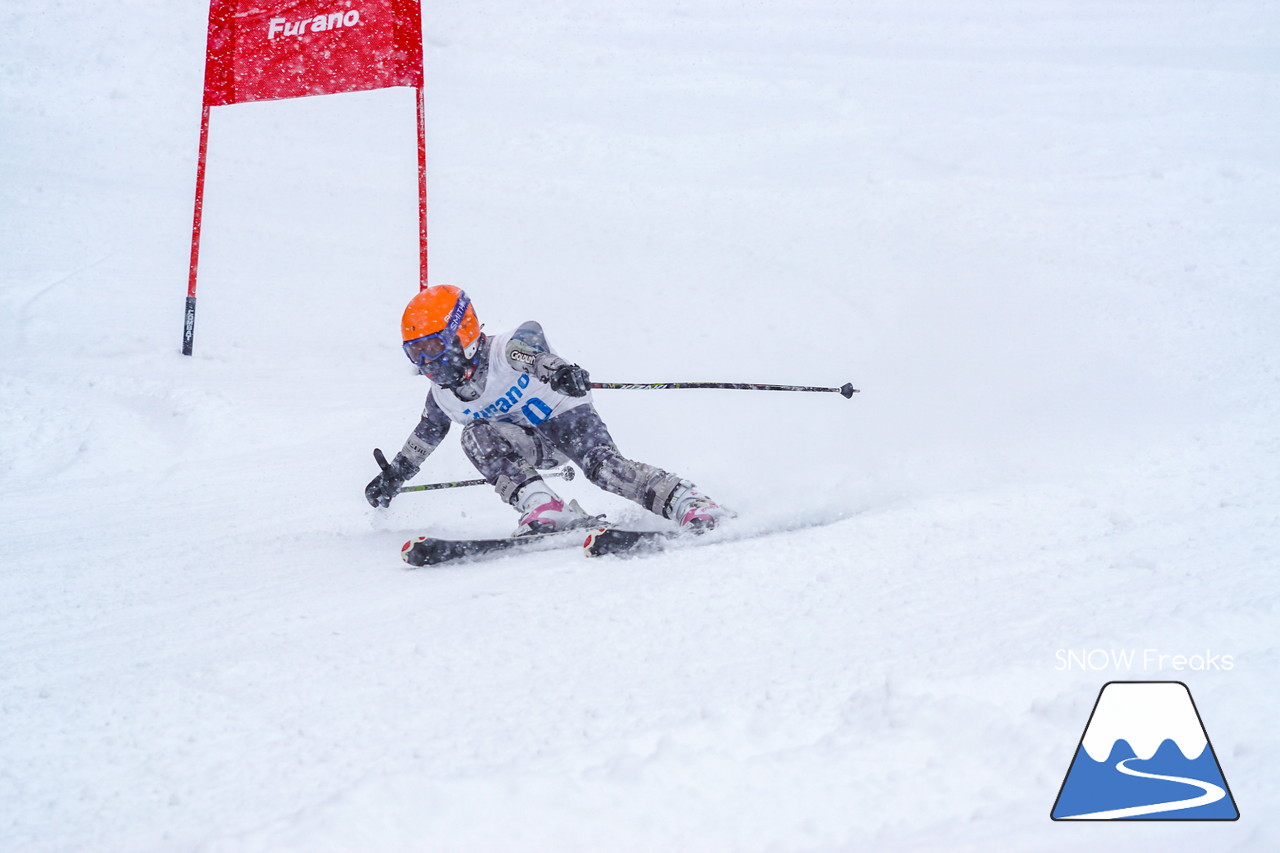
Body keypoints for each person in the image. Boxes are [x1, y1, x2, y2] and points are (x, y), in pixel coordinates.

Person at [365, 285, 729, 536]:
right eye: (416, 353)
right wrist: (395, 475)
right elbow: (426, 434)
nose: (429, 363)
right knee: (474, 434)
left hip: (566, 419)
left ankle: (689, 501)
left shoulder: (504, 351)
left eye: (434, 347)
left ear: (464, 332)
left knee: (602, 469)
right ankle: (542, 506)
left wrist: (557, 370)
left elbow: (531, 346)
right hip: (529, 444)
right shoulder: (443, 395)